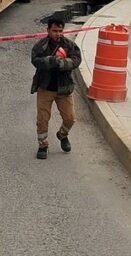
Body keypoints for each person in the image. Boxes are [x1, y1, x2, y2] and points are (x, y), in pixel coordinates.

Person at [30, 18, 82, 160]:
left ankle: (62, 135)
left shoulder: (69, 45)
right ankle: (43, 145)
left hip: (64, 88)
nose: (58, 34)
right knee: (42, 119)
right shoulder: (41, 45)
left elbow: (77, 59)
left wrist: (63, 63)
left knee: (70, 118)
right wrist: (51, 61)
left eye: (60, 31)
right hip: (45, 88)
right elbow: (35, 60)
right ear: (48, 30)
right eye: (54, 31)